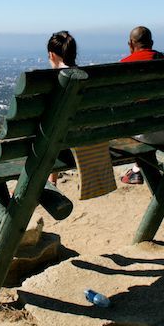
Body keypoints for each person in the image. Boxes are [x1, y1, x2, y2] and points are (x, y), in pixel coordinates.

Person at [46, 31, 116, 200]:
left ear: (52, 55)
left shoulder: (52, 81)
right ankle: (51, 181)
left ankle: (49, 184)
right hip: (91, 140)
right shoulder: (89, 78)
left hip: (63, 143)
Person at [119, 26, 164, 185]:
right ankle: (137, 170)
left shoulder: (124, 65)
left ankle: (137, 170)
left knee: (131, 120)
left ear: (131, 44)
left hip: (144, 133)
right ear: (151, 43)